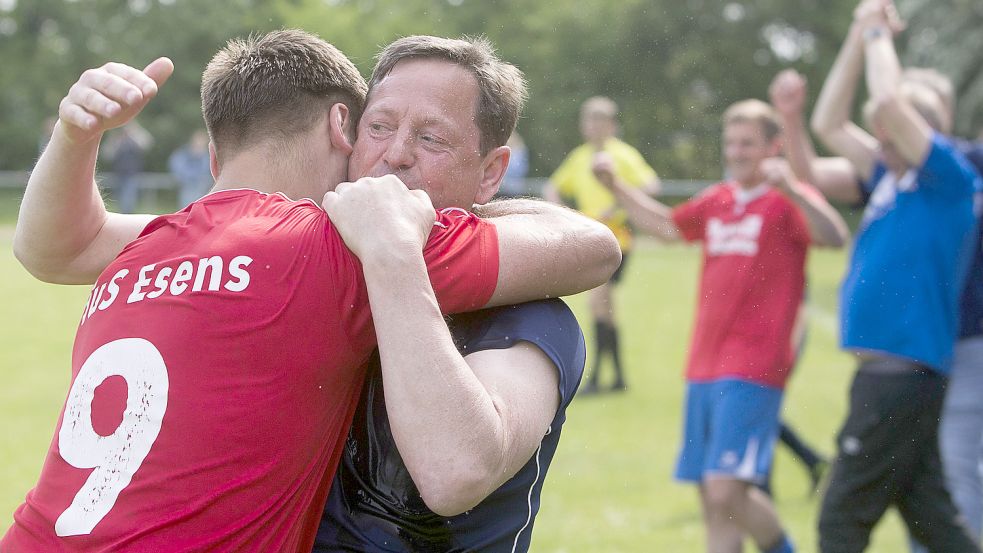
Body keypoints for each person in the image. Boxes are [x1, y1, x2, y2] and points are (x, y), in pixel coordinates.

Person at [3, 30, 620, 551]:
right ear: (343, 131)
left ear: (492, 171)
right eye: (378, 127)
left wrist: (76, 135)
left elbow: (52, 248)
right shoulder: (324, 245)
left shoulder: (523, 313)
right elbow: (589, 243)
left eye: (431, 138)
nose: (395, 156)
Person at [600, 97, 848, 553]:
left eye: (748, 143)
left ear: (773, 147)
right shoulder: (719, 199)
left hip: (755, 363)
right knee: (712, 497)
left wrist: (793, 190)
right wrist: (617, 186)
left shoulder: (785, 199)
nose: (736, 151)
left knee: (725, 489)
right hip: (704, 363)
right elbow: (668, 227)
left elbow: (834, 237)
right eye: (731, 142)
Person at [809, 0, 982, 551]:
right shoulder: (890, 175)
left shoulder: (949, 179)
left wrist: (879, 31)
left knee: (840, 520)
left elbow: (886, 98)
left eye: (897, 124)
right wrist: (859, 35)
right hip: (898, 378)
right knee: (934, 522)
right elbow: (827, 123)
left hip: (900, 378)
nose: (882, 130)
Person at [544, 96, 661, 394]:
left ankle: (597, 378)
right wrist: (561, 211)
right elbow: (553, 186)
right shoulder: (580, 157)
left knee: (598, 302)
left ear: (611, 124)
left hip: (617, 240)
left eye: (600, 120)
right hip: (590, 239)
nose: (594, 126)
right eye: (589, 120)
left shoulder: (622, 155)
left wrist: (620, 207)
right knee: (604, 308)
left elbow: (651, 185)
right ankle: (617, 378)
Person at [104, 120, 153, 213]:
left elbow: (148, 142)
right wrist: (114, 139)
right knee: (119, 199)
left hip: (132, 174)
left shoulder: (135, 141)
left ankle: (126, 215)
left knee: (128, 199)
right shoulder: (117, 141)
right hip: (118, 174)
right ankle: (122, 216)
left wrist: (135, 129)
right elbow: (107, 155)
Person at [168, 129, 212, 208]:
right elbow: (178, 169)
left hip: (201, 188)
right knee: (186, 209)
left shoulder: (205, 156)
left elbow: (205, 171)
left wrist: (201, 156)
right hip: (186, 186)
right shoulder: (182, 154)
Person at [497, 131, 529, 198]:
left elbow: (517, 170)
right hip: (511, 188)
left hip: (509, 188)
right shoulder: (520, 151)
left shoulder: (518, 152)